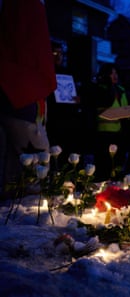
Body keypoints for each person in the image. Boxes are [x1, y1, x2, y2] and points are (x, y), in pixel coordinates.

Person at [0, 0, 56, 197]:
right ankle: (30, 210)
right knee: (35, 158)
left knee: (13, 161)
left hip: (16, 91)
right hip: (22, 93)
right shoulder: (26, 7)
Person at [89, 63, 129, 181]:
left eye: (116, 73)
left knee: (117, 165)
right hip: (102, 134)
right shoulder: (99, 89)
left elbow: (126, 111)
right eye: (112, 73)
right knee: (103, 165)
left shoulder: (121, 90)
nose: (114, 76)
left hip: (118, 134)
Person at [46, 41, 84, 159]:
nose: (58, 56)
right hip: (52, 120)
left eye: (61, 53)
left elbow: (75, 93)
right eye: (54, 53)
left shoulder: (68, 72)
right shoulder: (45, 72)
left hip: (69, 121)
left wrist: (78, 100)